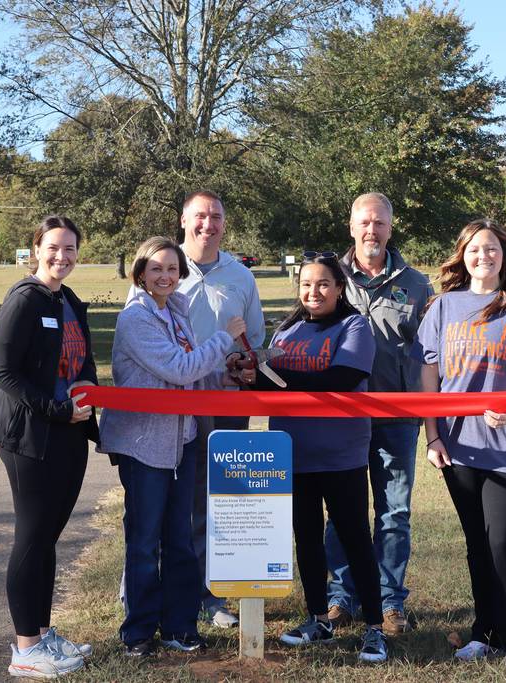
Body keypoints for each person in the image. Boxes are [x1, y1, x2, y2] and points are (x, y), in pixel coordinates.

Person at [99, 237, 251, 658]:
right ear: (140, 273)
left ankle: (179, 626)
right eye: (156, 269)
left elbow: (195, 374)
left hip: (182, 440)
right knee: (146, 540)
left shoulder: (176, 312)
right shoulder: (137, 318)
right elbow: (179, 369)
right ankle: (138, 633)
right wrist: (224, 340)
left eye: (172, 269)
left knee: (180, 539)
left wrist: (228, 372)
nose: (165, 276)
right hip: (145, 445)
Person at [414, 219, 506, 668]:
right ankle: (485, 632)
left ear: (503, 256)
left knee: (503, 542)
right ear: (463, 255)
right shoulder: (443, 307)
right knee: (477, 542)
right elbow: (430, 375)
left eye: (491, 249)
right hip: (457, 445)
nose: (483, 256)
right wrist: (432, 435)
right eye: (475, 249)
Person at [237, 253, 388, 663]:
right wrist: (246, 376)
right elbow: (266, 390)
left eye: (323, 284)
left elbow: (340, 379)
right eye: (306, 284)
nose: (313, 291)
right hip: (293, 454)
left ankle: (375, 628)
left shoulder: (354, 326)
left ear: (340, 287)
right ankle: (318, 619)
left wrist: (276, 380)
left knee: (355, 539)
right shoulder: (287, 331)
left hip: (341, 456)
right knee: (306, 539)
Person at [0, 216, 98, 679]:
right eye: (53, 247)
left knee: (47, 538)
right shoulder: (25, 299)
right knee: (32, 536)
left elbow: (81, 360)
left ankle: (42, 632)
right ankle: (25, 649)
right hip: (29, 434)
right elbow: (3, 373)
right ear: (36, 248)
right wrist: (54, 409)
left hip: (68, 431)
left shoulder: (68, 300)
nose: (61, 257)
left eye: (69, 249)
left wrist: (87, 387)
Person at [325, 193, 433, 635]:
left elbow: (430, 352)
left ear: (391, 227)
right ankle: (340, 598)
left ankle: (391, 602)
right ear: (351, 226)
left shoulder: (416, 283)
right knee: (341, 510)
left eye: (380, 223)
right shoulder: (330, 277)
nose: (372, 231)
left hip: (397, 416)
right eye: (364, 222)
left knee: (394, 512)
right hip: (342, 416)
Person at [175, 189, 266, 628]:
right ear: (183, 220)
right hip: (178, 401)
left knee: (220, 498)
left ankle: (214, 597)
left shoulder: (240, 275)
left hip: (228, 401)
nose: (207, 225)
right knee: (180, 497)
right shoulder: (164, 267)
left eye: (215, 217)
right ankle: (175, 589)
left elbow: (256, 340)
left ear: (224, 224)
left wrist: (243, 360)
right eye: (199, 217)